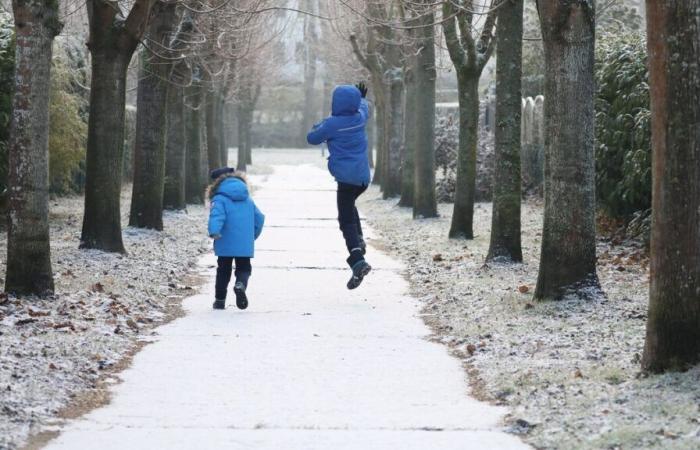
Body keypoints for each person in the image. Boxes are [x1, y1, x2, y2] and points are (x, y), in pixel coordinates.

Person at [307, 83, 372, 290]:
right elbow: (365, 108)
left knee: (345, 220)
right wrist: (361, 99)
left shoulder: (332, 124)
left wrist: (320, 124)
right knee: (350, 207)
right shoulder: (359, 118)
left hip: (346, 179)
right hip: (362, 178)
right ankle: (359, 241)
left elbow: (312, 138)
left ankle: (357, 258)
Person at [207, 167, 265, 310]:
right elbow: (259, 218)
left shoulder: (219, 199)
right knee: (244, 268)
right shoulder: (248, 199)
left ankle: (220, 300)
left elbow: (217, 216)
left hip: (224, 240)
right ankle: (240, 284)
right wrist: (252, 236)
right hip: (244, 242)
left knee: (223, 270)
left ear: (217, 183)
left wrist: (214, 231)